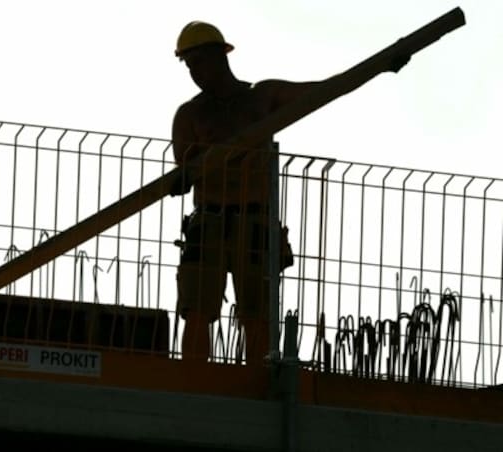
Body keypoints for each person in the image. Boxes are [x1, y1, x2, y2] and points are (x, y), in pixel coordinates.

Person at [170, 21, 409, 364]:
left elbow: (327, 89)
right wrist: (186, 175)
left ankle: (255, 381)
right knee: (196, 309)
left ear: (220, 56)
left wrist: (381, 66)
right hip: (208, 221)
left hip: (254, 220)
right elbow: (184, 171)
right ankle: (192, 380)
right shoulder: (190, 114)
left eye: (198, 62)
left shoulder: (262, 97)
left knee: (256, 314)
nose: (194, 72)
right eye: (188, 65)